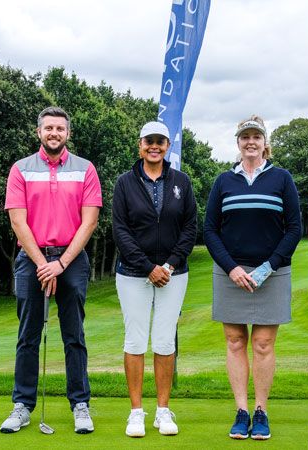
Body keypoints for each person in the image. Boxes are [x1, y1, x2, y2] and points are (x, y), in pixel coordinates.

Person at [0, 106, 102, 434]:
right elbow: (18, 220)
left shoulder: (85, 169)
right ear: (39, 132)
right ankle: (22, 406)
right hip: (32, 260)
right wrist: (44, 265)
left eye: (60, 128)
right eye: (48, 128)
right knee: (28, 335)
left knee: (74, 335)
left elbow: (89, 222)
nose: (54, 133)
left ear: (67, 133)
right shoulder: (21, 169)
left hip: (71, 260)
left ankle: (80, 404)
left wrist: (60, 264)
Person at [203, 115, 302, 441]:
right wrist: (231, 267)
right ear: (238, 142)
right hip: (230, 272)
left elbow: (294, 228)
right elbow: (210, 230)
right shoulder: (223, 181)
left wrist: (267, 267)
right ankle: (241, 410)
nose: (250, 142)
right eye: (245, 136)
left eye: (256, 137)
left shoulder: (282, 179)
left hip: (270, 273)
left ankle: (261, 411)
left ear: (264, 142)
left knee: (262, 344)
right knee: (234, 341)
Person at [111, 121, 198, 438]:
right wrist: (148, 266)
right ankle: (136, 412)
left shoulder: (181, 181)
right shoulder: (124, 183)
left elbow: (190, 228)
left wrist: (170, 265)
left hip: (174, 274)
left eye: (161, 141)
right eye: (149, 141)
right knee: (135, 340)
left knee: (163, 340)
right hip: (134, 273)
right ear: (140, 145)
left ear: (167, 146)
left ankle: (163, 410)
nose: (155, 146)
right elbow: (120, 230)